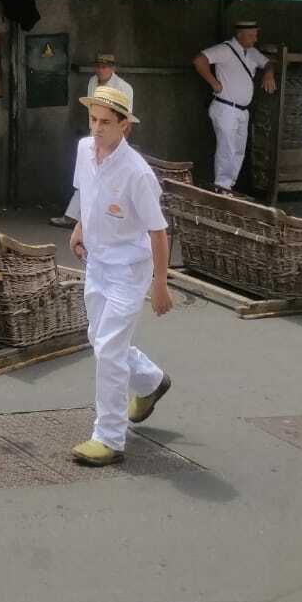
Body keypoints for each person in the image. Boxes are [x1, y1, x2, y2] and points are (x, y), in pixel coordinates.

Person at [69, 84, 173, 467]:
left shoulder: (138, 174)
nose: (97, 128)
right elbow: (87, 192)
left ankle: (109, 438)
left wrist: (160, 284)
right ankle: (150, 380)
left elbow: (158, 233)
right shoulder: (84, 149)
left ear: (124, 127)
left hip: (129, 270)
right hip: (97, 262)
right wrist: (81, 227)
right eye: (93, 119)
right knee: (99, 338)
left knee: (109, 350)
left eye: (106, 122)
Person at [51, 55, 135, 229]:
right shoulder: (92, 82)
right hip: (95, 134)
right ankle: (77, 217)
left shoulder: (124, 88)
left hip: (113, 138)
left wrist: (119, 144)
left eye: (105, 67)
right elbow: (92, 112)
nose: (101, 70)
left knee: (105, 178)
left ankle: (79, 217)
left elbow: (127, 120)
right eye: (98, 66)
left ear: (113, 68)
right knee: (87, 175)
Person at [193, 19, 276, 191]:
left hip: (242, 111)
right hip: (226, 108)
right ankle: (221, 188)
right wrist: (214, 83)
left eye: (256, 35)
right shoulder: (225, 49)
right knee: (227, 149)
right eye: (252, 36)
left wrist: (268, 73)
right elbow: (199, 60)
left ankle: (228, 186)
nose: (255, 39)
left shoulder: (252, 52)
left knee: (238, 151)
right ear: (240, 35)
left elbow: (268, 63)